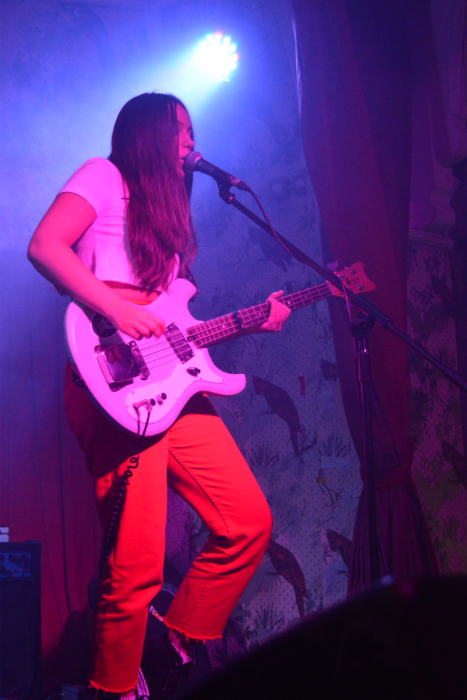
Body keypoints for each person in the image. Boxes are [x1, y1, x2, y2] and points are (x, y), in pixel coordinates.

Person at [28, 93, 290, 698]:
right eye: (182, 131)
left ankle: (173, 643)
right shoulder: (102, 175)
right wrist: (117, 306)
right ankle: (115, 689)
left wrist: (252, 321)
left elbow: (175, 329)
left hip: (169, 388)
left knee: (247, 520)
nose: (191, 144)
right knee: (136, 562)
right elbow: (45, 247)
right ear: (149, 133)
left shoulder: (167, 223)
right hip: (112, 380)